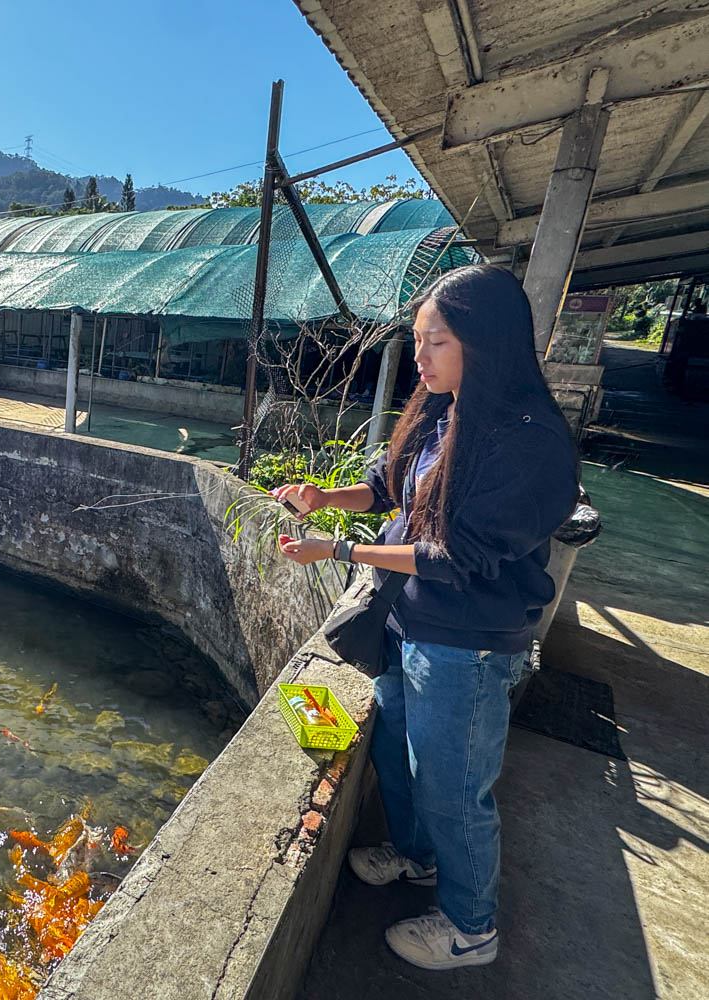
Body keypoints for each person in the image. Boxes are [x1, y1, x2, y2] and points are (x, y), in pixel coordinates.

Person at [272, 264, 578, 971]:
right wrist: (323, 497)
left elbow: (458, 556)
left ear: (484, 340)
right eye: (415, 340)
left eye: (433, 342)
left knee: (453, 789)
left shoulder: (528, 441)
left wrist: (340, 549)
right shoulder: (443, 407)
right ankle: (415, 860)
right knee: (397, 755)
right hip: (408, 624)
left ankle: (472, 928)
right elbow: (385, 487)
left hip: (465, 645)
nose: (419, 358)